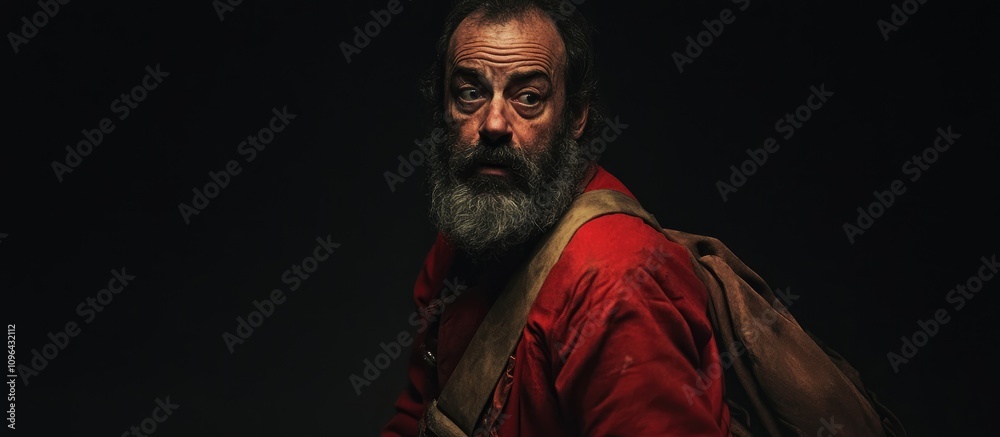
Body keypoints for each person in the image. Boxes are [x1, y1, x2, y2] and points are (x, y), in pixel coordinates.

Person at [383, 0, 731, 435]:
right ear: (444, 107)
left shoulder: (616, 282)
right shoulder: (470, 228)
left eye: (529, 98)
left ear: (576, 115)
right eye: (470, 93)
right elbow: (416, 414)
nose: (493, 124)